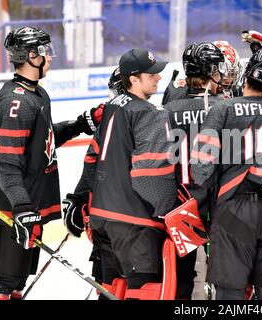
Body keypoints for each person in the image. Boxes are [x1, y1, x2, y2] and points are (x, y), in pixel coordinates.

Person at [191, 48, 262, 300]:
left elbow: (201, 166)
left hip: (233, 208)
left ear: (247, 73)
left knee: (230, 293)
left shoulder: (224, 109)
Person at [0, 26, 103, 300]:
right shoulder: (14, 102)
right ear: (32, 56)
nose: (51, 56)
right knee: (2, 284)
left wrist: (80, 124)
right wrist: (21, 208)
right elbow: (7, 164)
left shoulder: (37, 94)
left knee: (16, 283)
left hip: (27, 208)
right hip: (9, 212)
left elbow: (43, 140)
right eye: (46, 51)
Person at [86, 48, 178, 300]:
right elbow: (150, 174)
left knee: (112, 289)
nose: (158, 77)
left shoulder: (112, 107)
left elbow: (92, 160)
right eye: (152, 74)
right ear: (133, 79)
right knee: (144, 291)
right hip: (134, 220)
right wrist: (165, 211)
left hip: (103, 217)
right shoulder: (150, 113)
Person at [164, 42, 226, 299]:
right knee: (225, 279)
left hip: (181, 206)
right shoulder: (223, 108)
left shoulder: (165, 112)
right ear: (211, 70)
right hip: (217, 205)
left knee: (183, 281)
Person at [62, 67, 125, 299]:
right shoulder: (110, 118)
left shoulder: (142, 116)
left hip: (118, 221)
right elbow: (93, 164)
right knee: (110, 282)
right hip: (114, 224)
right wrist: (78, 198)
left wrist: (79, 198)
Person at [161, 40, 242, 105]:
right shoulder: (177, 91)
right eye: (227, 72)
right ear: (212, 69)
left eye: (233, 74)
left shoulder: (237, 93)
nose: (229, 80)